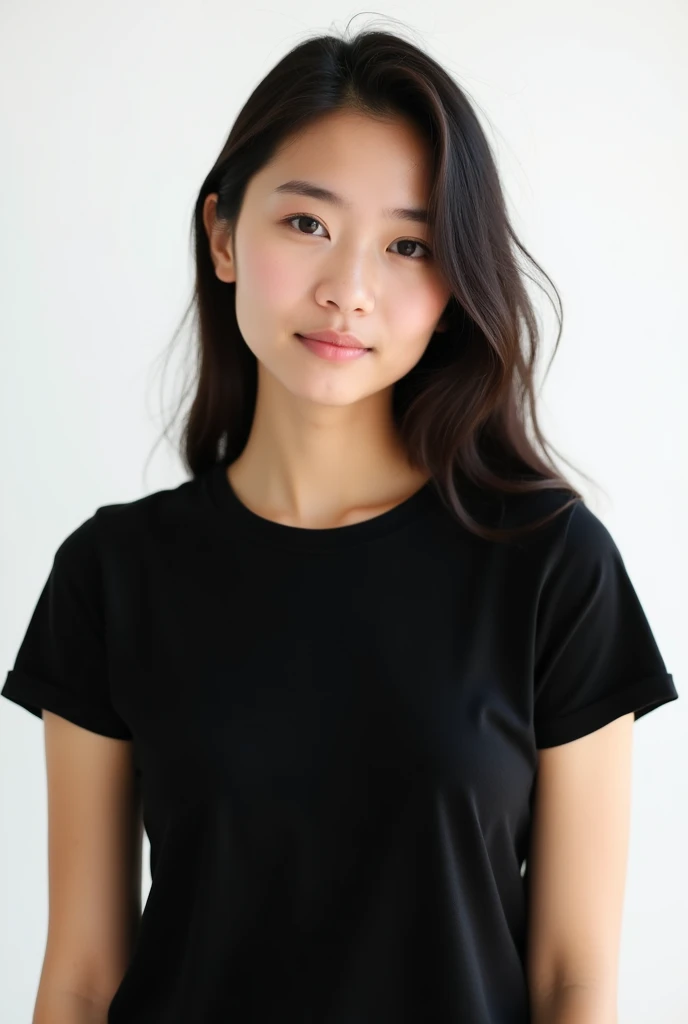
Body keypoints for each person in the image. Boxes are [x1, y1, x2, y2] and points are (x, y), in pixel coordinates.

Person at [2, 23, 678, 1024]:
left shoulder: (548, 568)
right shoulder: (114, 573)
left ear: (453, 291)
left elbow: (572, 981)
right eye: (308, 224)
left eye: (409, 245)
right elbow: (86, 976)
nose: (348, 290)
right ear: (224, 235)